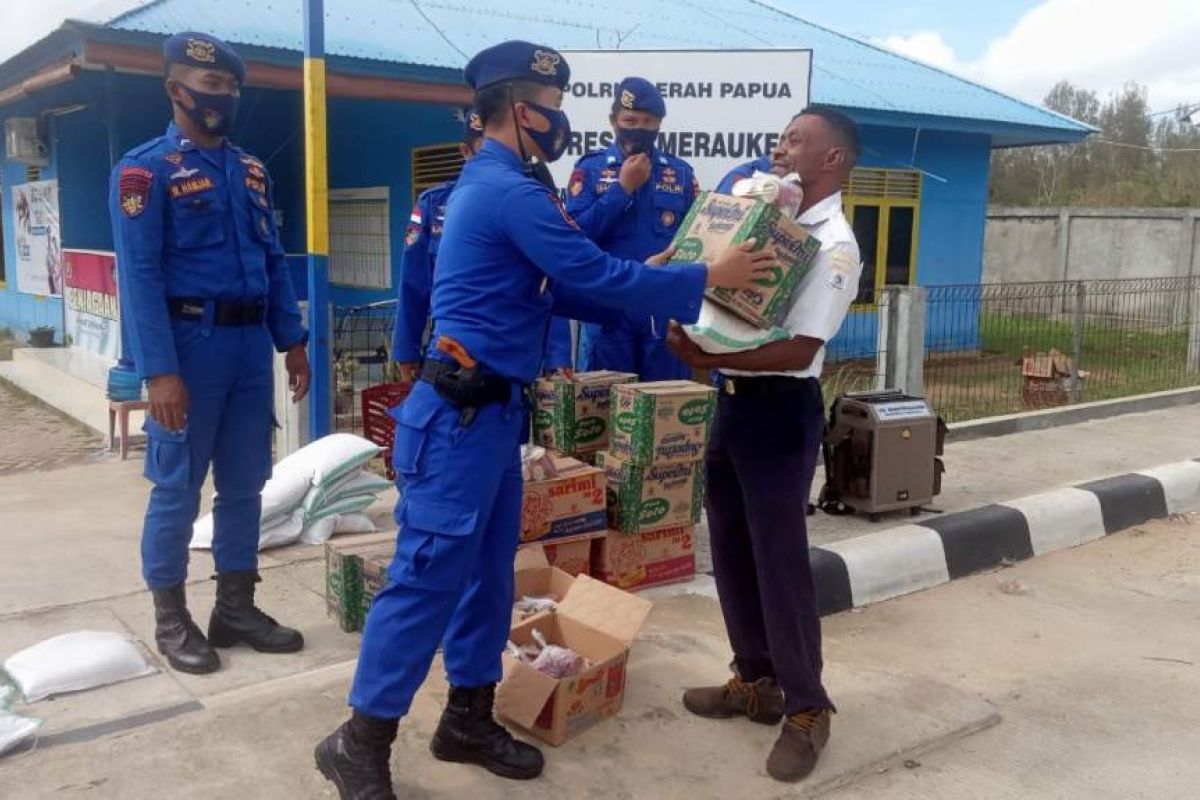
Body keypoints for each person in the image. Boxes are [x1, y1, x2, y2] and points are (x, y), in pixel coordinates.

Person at [314, 40, 773, 799]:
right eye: (552, 108)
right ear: (516, 109)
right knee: (424, 582)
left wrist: (654, 281)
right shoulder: (506, 191)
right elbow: (591, 270)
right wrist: (704, 279)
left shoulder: (515, 188)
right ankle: (359, 740)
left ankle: (466, 716)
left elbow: (562, 292)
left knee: (487, 579)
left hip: (494, 419)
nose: (562, 122)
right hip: (457, 419)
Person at [666, 106, 864, 784]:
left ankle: (808, 708)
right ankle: (754, 678)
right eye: (781, 138)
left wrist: (705, 358)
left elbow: (802, 347)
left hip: (781, 414)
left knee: (780, 565)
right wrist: (696, 339)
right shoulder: (765, 224)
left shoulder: (832, 243)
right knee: (729, 549)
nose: (781, 149)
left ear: (832, 158)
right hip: (734, 406)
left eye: (796, 140)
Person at [109, 32, 310, 676]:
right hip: (187, 349)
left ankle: (235, 607)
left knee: (246, 485)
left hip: (251, 348)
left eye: (228, 87)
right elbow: (138, 276)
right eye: (208, 86)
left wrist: (293, 340)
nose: (220, 97)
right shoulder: (146, 172)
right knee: (177, 488)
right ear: (176, 90)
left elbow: (272, 259)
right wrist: (158, 371)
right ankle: (172, 617)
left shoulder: (249, 170)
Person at [393, 109, 572, 381]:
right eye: (484, 151)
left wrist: (558, 356)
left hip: (520, 350)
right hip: (453, 353)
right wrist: (406, 349)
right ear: (465, 152)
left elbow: (550, 283)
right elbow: (414, 283)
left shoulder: (528, 205)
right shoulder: (433, 205)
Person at [566, 77, 699, 380]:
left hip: (662, 305)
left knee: (664, 401)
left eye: (648, 121)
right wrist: (622, 189)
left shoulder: (679, 173)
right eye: (630, 120)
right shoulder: (590, 169)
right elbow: (576, 236)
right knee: (606, 401)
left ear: (659, 124)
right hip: (610, 305)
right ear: (613, 120)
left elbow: (694, 238)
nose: (638, 128)